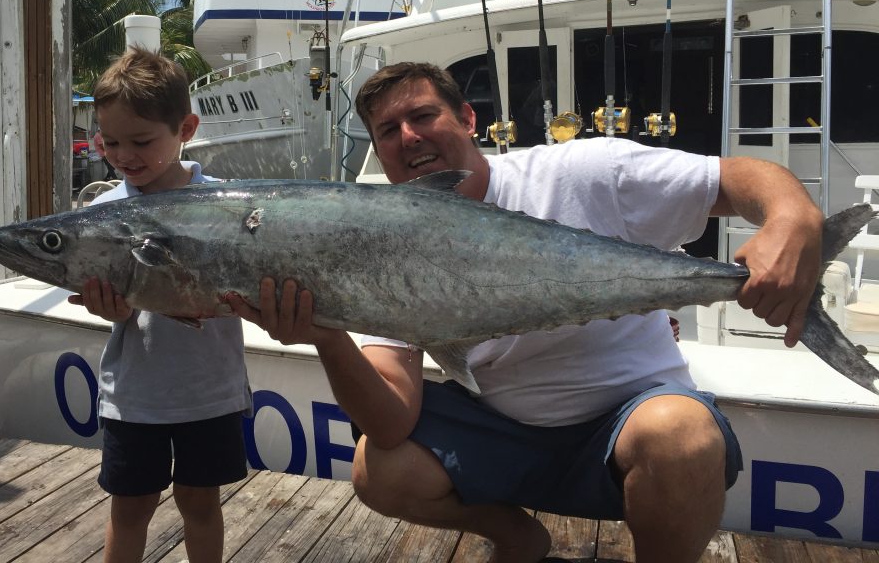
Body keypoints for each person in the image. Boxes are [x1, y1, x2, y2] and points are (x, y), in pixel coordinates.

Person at [226, 61, 824, 563]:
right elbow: (389, 423)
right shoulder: (377, 241)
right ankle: (515, 534)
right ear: (379, 153)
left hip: (628, 420)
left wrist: (793, 218)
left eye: (424, 116)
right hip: (506, 433)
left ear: (468, 119)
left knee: (682, 437)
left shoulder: (581, 173)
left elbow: (739, 178)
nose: (408, 136)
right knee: (378, 469)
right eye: (388, 130)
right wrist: (325, 336)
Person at [67, 47, 250, 563]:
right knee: (130, 506)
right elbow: (122, 310)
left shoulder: (226, 205)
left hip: (210, 389)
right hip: (135, 394)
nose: (126, 155)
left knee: (201, 501)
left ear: (185, 129)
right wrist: (113, 309)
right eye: (112, 143)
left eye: (142, 141)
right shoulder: (103, 212)